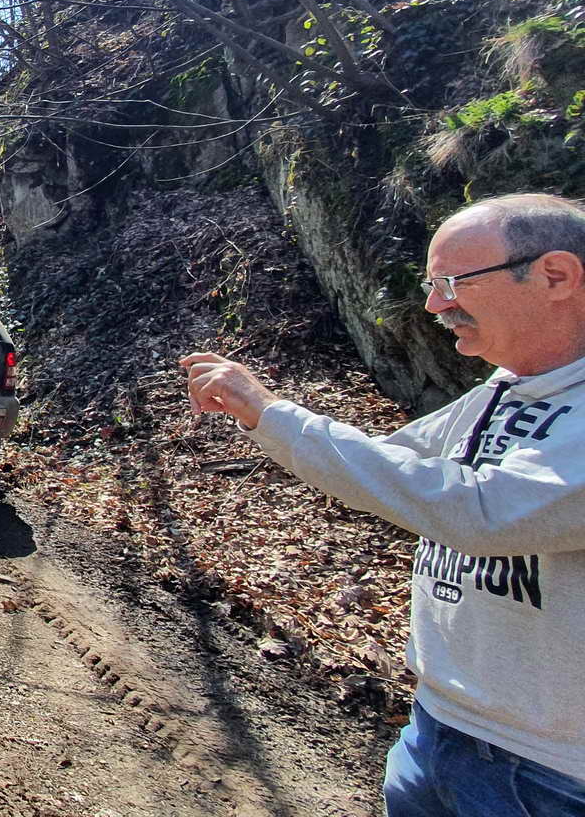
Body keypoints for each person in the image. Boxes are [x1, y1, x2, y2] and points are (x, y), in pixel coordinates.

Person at [179, 193, 585, 817]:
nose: (435, 305)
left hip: (550, 774)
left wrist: (273, 412)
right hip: (437, 729)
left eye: (452, 283)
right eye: (431, 286)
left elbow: (481, 511)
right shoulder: (504, 390)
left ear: (555, 276)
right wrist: (261, 416)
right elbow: (387, 465)